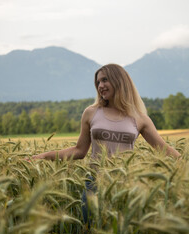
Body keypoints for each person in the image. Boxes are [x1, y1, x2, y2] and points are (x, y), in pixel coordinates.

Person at [29, 63, 181, 162]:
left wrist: (184, 162)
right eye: (98, 82)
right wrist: (44, 156)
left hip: (125, 185)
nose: (100, 85)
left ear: (119, 81)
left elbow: (164, 149)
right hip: (94, 184)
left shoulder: (140, 119)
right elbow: (79, 151)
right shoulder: (91, 113)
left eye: (105, 80)